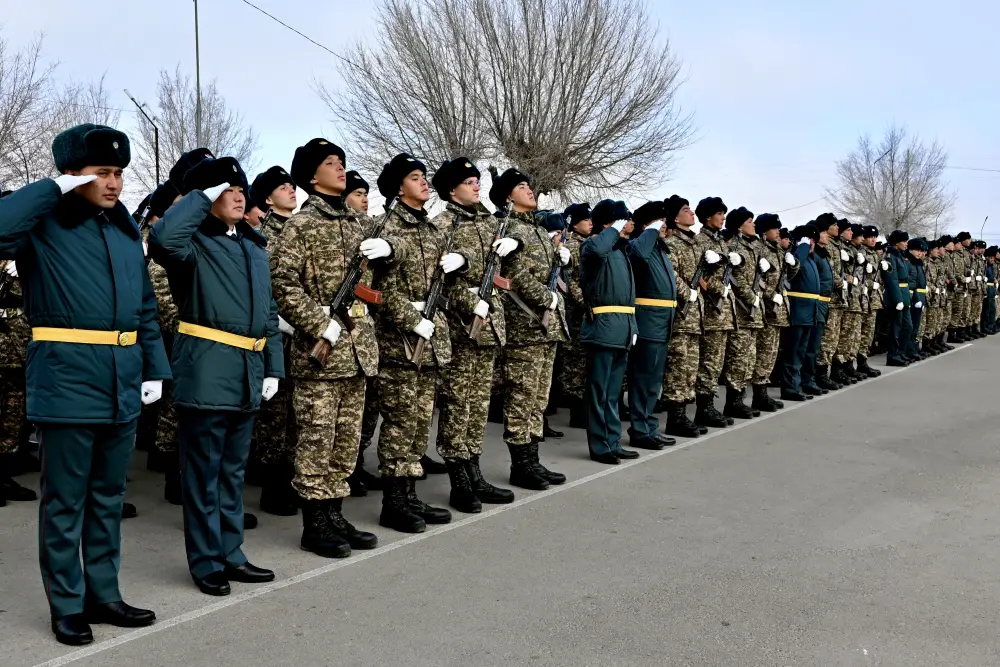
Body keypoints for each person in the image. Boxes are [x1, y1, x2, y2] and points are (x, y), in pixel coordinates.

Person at [0, 124, 171, 644]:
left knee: (106, 496)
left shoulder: (121, 230)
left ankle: (104, 593)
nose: (115, 183)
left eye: (119, 173)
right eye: (102, 172)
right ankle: (67, 604)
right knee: (65, 500)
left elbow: (145, 305)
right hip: (68, 376)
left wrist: (155, 368)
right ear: (73, 175)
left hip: (122, 380)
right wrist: (52, 188)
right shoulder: (43, 221)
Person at [149, 156, 284, 596]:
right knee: (203, 474)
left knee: (232, 473)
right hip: (207, 368)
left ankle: (231, 552)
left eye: (240, 187)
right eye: (226, 189)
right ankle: (206, 560)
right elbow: (163, 238)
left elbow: (268, 312)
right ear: (205, 198)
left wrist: (273, 367)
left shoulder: (252, 245)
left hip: (247, 371)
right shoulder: (193, 245)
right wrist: (197, 198)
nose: (239, 194)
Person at [269, 138, 385, 555]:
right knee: (317, 438)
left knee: (347, 440)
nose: (340, 169)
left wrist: (389, 248)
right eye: (330, 163)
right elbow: (282, 286)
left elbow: (396, 254)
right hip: (320, 353)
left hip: (357, 351)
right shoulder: (301, 225)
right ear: (311, 176)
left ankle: (336, 513)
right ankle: (315, 523)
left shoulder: (357, 224)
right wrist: (322, 324)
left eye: (341, 162)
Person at [372, 153, 454, 532]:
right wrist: (412, 320)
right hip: (399, 340)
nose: (424, 182)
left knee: (420, 421)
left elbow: (445, 276)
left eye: (424, 176)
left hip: (430, 335)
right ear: (398, 186)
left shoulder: (434, 229)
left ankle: (409, 495)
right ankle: (394, 501)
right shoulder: (386, 227)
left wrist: (464, 260)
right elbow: (379, 288)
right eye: (415, 177)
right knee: (400, 420)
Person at [429, 157, 516, 511]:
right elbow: (438, 283)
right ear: (452, 190)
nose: (476, 185)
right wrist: (469, 301)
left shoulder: (489, 223)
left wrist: (514, 247)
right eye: (469, 181)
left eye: (477, 180)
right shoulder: (443, 226)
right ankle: (459, 480)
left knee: (478, 405)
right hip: (462, 328)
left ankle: (474, 469)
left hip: (490, 327)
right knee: (457, 402)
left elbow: (500, 271)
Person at [490, 168, 567, 490]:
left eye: (529, 186)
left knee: (538, 397)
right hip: (525, 325)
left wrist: (562, 258)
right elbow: (516, 276)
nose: (530, 190)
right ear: (508, 196)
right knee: (522, 397)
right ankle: (520, 465)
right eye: (522, 187)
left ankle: (533, 460)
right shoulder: (508, 228)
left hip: (546, 327)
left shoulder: (536, 229)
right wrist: (546, 297)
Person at [245, 166, 300, 517]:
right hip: (274, 334)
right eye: (283, 187)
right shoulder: (260, 236)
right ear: (267, 198)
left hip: (303, 334)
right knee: (273, 413)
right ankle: (271, 483)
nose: (291, 190)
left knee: (296, 411)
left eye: (292, 185)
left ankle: (289, 476)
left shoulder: (299, 230)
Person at [578, 200, 638, 464]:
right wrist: (613, 228)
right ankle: (601, 446)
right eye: (624, 218)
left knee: (613, 393)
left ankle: (613, 441)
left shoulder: (620, 251)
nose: (630, 223)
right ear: (608, 223)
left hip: (622, 328)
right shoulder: (592, 245)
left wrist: (632, 326)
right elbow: (599, 247)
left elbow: (628, 297)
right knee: (599, 391)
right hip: (603, 328)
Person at [625, 200, 677, 448]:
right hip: (648, 321)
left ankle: (648, 425)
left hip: (662, 322)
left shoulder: (659, 249)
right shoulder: (640, 244)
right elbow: (637, 254)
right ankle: (640, 429)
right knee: (643, 378)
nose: (665, 227)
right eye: (662, 222)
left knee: (653, 381)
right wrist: (651, 230)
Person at [661, 195, 704, 438]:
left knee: (690, 368)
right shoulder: (673, 243)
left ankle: (684, 414)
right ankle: (674, 418)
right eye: (687, 210)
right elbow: (670, 272)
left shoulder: (695, 243)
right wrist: (685, 291)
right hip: (680, 315)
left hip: (695, 317)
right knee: (678, 367)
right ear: (676, 217)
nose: (692, 213)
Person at [693, 197, 734, 428]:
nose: (723, 217)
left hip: (723, 312)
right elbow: (699, 278)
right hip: (710, 310)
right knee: (708, 363)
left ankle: (709, 406)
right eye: (719, 213)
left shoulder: (720, 242)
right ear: (708, 216)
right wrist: (721, 288)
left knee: (716, 363)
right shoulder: (700, 242)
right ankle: (703, 408)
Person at [719, 207, 764, 419]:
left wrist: (760, 292)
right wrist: (750, 297)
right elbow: (735, 278)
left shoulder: (753, 246)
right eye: (749, 221)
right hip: (740, 310)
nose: (753, 224)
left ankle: (741, 398)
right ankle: (733, 402)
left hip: (754, 312)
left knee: (749, 358)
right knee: (738, 358)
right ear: (738, 226)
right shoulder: (734, 246)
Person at [751, 213, 798, 411]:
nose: (778, 231)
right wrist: (770, 295)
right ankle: (758, 395)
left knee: (770, 353)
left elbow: (787, 276)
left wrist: (794, 263)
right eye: (774, 228)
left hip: (778, 309)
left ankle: (762, 394)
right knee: (763, 353)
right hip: (766, 309)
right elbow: (753, 280)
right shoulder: (759, 249)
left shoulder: (777, 250)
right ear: (764, 230)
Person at [558, 202, 592, 428]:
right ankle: (577, 411)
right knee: (575, 362)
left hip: (586, 310)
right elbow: (570, 281)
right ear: (574, 223)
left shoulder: (587, 244)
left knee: (583, 359)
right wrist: (586, 304)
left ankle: (582, 408)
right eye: (585, 219)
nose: (590, 222)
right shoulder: (571, 245)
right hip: (575, 311)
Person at [801, 222, 832, 396]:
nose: (826, 235)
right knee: (810, 346)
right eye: (824, 232)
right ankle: (807, 379)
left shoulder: (821, 255)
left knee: (814, 345)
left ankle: (809, 378)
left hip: (822, 303)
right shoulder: (815, 256)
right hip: (816, 303)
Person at [882, 229, 913, 367]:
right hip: (896, 296)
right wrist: (898, 299)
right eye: (904, 241)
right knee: (896, 328)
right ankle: (893, 355)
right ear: (896, 243)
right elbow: (892, 279)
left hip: (904, 295)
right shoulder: (890, 256)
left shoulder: (900, 255)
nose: (906, 244)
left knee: (908, 327)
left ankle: (900, 352)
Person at [857, 226, 883, 376]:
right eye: (870, 237)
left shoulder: (874, 254)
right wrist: (873, 285)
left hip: (873, 299)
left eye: (875, 237)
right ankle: (851, 364)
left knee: (868, 333)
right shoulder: (861, 253)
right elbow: (860, 277)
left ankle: (863, 362)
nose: (873, 240)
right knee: (857, 333)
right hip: (862, 298)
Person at [906, 237, 928, 359]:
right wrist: (915, 298)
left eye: (921, 251)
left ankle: (913, 349)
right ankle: (908, 350)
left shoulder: (918, 264)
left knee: (915, 327)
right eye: (917, 250)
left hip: (919, 298)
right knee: (909, 327)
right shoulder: (909, 263)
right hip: (911, 298)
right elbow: (910, 283)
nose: (920, 253)